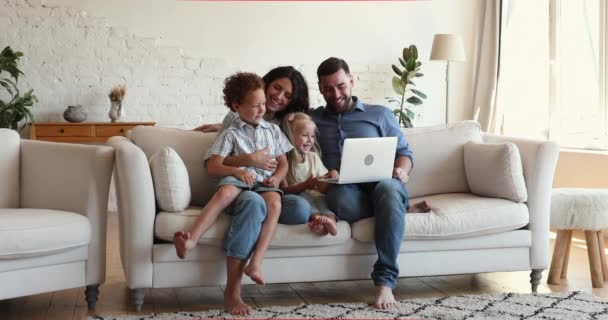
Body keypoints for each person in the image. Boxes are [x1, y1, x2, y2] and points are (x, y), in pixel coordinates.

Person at [310, 57, 431, 310]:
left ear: (352, 81)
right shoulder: (312, 119)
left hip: (382, 181)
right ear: (320, 88)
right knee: (340, 200)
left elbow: (405, 153)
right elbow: (273, 126)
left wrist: (402, 170)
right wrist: (226, 124)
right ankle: (397, 209)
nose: (336, 93)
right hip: (344, 188)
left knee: (388, 189)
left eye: (341, 86)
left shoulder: (380, 114)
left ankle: (385, 282)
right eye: (329, 88)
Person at [176, 72, 293, 315]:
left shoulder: (271, 130)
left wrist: (277, 178)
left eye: (263, 104)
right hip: (239, 178)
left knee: (274, 204)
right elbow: (212, 166)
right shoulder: (231, 133)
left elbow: (283, 163)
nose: (262, 109)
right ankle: (192, 239)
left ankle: (256, 264)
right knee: (226, 192)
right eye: (255, 106)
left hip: (263, 182)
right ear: (236, 106)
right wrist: (241, 168)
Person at [195, 66, 313, 227]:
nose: (279, 96)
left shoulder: (282, 125)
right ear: (266, 84)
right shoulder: (235, 117)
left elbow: (291, 159)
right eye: (277, 88)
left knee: (300, 209)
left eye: (287, 95)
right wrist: (249, 159)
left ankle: (261, 214)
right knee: (253, 202)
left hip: (273, 187)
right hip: (243, 185)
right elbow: (213, 162)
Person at [280, 112, 339, 236]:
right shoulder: (284, 160)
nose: (310, 140)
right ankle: (318, 220)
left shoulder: (313, 157)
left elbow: (323, 189)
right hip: (299, 197)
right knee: (305, 197)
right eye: (305, 135)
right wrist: (305, 185)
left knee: (322, 202)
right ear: (290, 136)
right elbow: (284, 190)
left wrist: (331, 176)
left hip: (317, 196)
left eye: (312, 136)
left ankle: (331, 222)